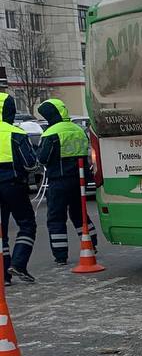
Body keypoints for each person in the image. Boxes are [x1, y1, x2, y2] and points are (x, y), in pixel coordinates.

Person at [37, 98, 97, 266]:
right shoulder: (78, 130)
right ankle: (92, 244)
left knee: (56, 218)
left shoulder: (51, 133)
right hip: (79, 180)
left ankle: (60, 255)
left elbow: (43, 158)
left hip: (59, 180)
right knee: (80, 215)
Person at [0, 91, 38, 285]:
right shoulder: (15, 133)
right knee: (27, 224)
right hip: (13, 185)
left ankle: (3, 276)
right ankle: (18, 263)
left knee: (1, 231)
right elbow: (30, 163)